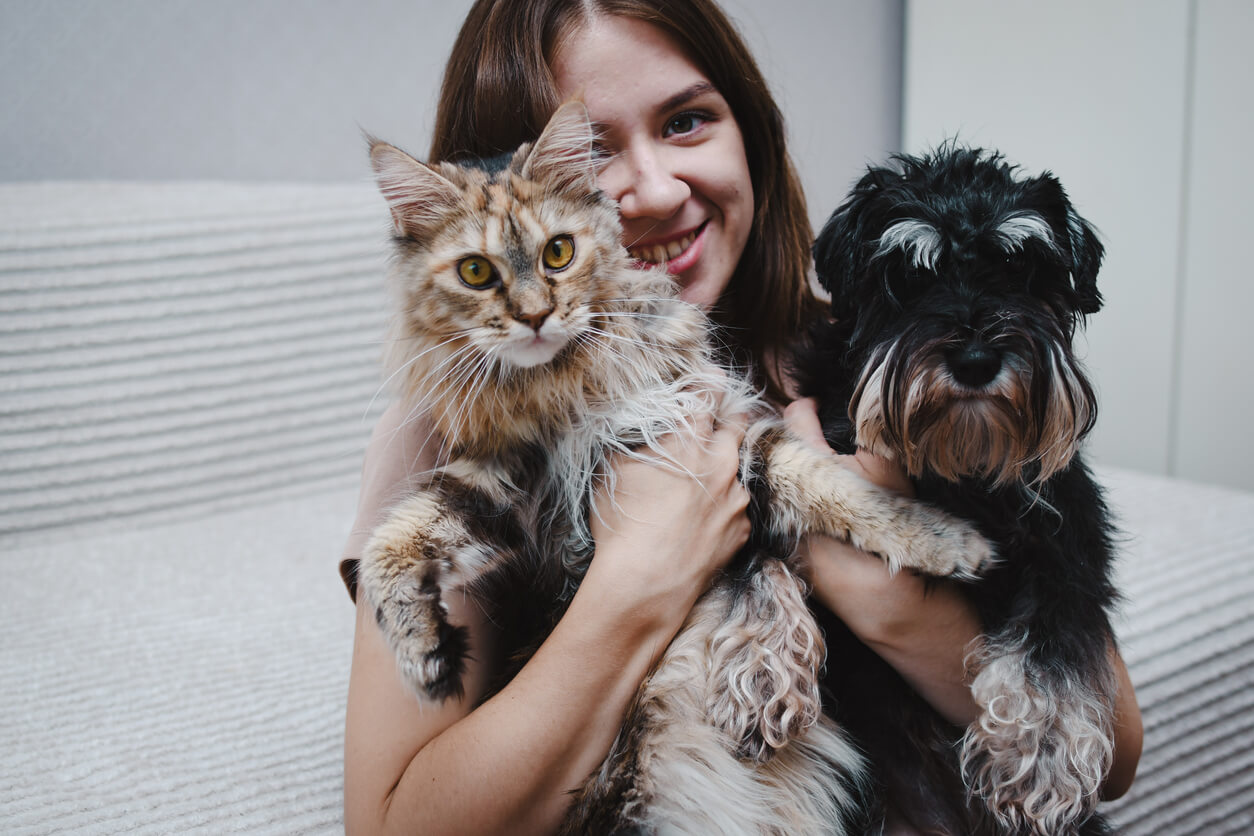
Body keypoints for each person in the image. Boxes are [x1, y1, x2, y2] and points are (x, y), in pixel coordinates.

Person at [339, 1, 1143, 833]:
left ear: (752, 131)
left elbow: (1114, 751)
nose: (654, 189)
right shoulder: (450, 428)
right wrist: (640, 580)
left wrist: (879, 596)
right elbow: (390, 822)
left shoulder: (859, 356)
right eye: (593, 149)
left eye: (687, 121)